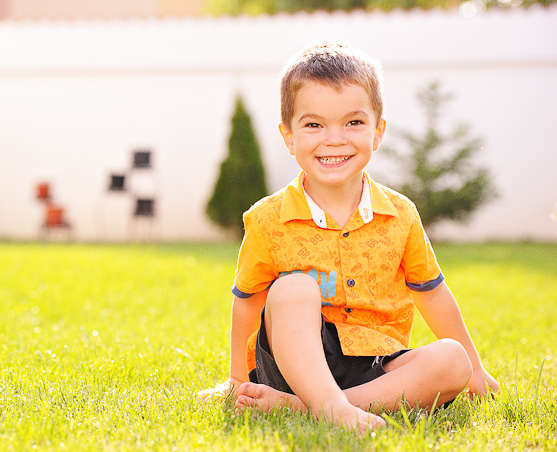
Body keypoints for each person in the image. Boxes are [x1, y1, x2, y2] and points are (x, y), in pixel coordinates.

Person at [199, 41, 499, 432]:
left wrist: (476, 369)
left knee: (452, 360)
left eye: (353, 122)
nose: (335, 139)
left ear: (378, 131)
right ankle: (326, 404)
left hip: (378, 366)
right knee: (294, 289)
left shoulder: (401, 214)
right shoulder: (267, 219)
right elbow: (247, 302)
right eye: (314, 125)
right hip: (294, 365)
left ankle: (308, 408)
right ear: (288, 136)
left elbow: (432, 293)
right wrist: (237, 380)